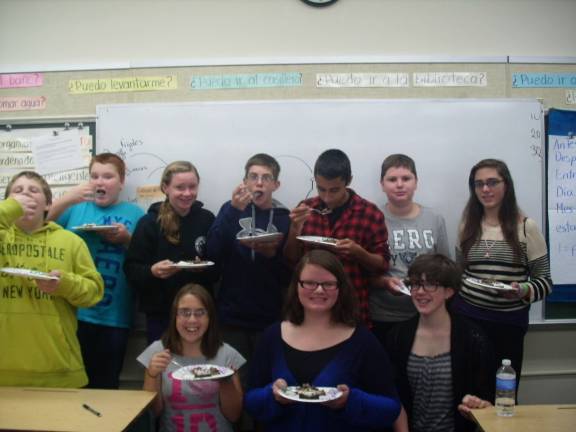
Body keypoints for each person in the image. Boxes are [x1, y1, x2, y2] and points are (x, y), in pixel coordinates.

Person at [245, 250, 400, 431]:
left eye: (328, 284)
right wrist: (272, 396)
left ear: (340, 288)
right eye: (310, 283)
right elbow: (250, 401)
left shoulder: (362, 341)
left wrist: (350, 401)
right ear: (296, 286)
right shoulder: (272, 336)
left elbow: (391, 407)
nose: (319, 290)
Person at [47, 153, 144, 389]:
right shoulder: (76, 209)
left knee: (105, 387)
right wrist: (67, 198)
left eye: (108, 176)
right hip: (72, 313)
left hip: (115, 316)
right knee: (70, 385)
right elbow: (37, 224)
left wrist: (126, 239)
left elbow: (144, 258)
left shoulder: (136, 213)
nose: (100, 182)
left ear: (121, 182)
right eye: (94, 176)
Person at [452, 158, 552, 386]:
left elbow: (545, 281)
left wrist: (523, 290)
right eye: (479, 184)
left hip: (507, 325)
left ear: (506, 185)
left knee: (502, 392)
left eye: (492, 182)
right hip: (467, 319)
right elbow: (459, 274)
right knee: (467, 390)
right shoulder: (466, 224)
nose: (485, 189)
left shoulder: (527, 227)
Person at [0, 171, 104, 387]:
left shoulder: (71, 241)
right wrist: (10, 209)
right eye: (18, 192)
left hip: (60, 371)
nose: (25, 195)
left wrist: (64, 284)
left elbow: (94, 293)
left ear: (48, 204)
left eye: (33, 190)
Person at [206, 153, 291, 392]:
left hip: (271, 318)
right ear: (244, 181)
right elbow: (211, 254)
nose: (259, 183)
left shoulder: (285, 218)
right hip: (232, 317)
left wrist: (271, 255)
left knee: (269, 385)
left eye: (266, 177)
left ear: (276, 184)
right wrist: (233, 210)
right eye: (253, 176)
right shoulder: (230, 209)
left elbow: (289, 274)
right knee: (234, 386)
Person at [386, 253, 494, 432]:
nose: (420, 291)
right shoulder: (398, 336)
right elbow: (392, 395)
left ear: (449, 291)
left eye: (430, 284)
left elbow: (487, 398)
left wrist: (478, 406)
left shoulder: (472, 337)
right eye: (415, 284)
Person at [284, 149, 390, 326]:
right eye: (321, 189)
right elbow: (290, 259)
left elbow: (382, 265)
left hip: (351, 308)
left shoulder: (369, 213)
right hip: (309, 310)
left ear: (348, 181)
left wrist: (359, 252)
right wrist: (295, 229)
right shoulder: (306, 208)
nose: (326, 197)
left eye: (334, 190)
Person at [124, 161, 218, 343]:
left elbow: (218, 267)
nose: (187, 193)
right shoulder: (149, 223)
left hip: (199, 314)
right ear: (165, 188)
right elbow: (131, 269)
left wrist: (203, 268)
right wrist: (152, 271)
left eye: (192, 187)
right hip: (161, 314)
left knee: (198, 368)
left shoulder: (207, 219)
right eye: (180, 187)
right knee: (163, 368)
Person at [137, 283, 245, 432]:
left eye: (200, 312)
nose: (192, 320)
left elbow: (234, 416)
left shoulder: (227, 354)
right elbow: (153, 413)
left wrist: (226, 382)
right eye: (185, 312)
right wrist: (152, 375)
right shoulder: (158, 351)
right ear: (175, 316)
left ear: (210, 317)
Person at [370, 154, 450, 343]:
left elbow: (446, 267)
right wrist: (384, 282)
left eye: (406, 178)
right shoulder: (372, 218)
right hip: (382, 315)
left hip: (425, 315)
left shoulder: (434, 218)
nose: (399, 185)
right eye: (392, 179)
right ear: (382, 184)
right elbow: (363, 271)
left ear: (416, 182)